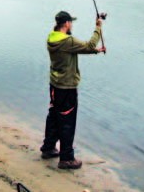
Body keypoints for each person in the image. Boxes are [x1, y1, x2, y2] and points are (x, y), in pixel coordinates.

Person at [40, 11, 106, 169]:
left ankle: (48, 148)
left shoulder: (52, 37)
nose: (72, 25)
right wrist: (98, 28)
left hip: (55, 86)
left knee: (54, 117)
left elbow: (80, 49)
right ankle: (67, 159)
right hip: (67, 88)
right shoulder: (68, 41)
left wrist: (96, 51)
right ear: (67, 23)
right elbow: (88, 45)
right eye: (71, 23)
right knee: (67, 122)